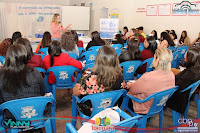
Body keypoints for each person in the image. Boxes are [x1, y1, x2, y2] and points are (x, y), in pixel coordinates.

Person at [73, 45, 126, 116]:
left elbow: (75, 92)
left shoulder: (89, 79)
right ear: (116, 60)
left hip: (91, 111)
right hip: (111, 106)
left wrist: (85, 75)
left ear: (98, 59)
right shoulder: (120, 77)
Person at [128, 48, 175, 114]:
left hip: (143, 106)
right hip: (158, 105)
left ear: (157, 59)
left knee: (124, 93)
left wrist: (130, 85)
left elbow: (132, 90)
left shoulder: (148, 77)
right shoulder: (171, 75)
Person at [167, 46, 200, 114]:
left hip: (176, 98)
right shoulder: (196, 70)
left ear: (192, 58)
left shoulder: (190, 74)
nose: (184, 55)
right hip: (186, 94)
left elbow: (176, 87)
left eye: (186, 54)